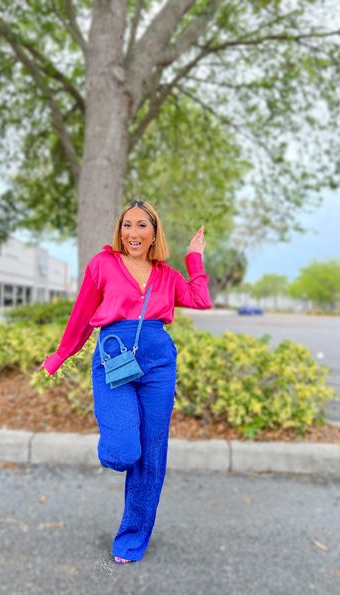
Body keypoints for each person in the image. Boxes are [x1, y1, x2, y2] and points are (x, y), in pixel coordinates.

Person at [41, 199, 212, 564]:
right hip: (113, 358)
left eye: (141, 226)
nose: (133, 233)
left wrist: (193, 258)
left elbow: (200, 299)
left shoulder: (166, 275)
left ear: (154, 233)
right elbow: (82, 314)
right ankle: (119, 447)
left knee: (151, 456)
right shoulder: (103, 264)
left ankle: (132, 538)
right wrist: (60, 355)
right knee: (122, 451)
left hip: (159, 366)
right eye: (127, 225)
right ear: (120, 230)